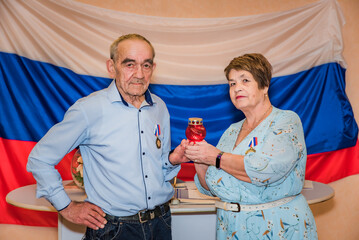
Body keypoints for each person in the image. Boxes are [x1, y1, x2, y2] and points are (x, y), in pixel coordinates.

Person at [27, 33, 190, 240]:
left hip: (161, 224)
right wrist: (66, 207)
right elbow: (39, 159)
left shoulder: (159, 107)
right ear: (111, 67)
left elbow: (159, 169)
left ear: (153, 68)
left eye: (146, 65)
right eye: (130, 64)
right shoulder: (89, 109)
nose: (139, 74)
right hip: (115, 230)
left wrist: (171, 161)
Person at [184, 53, 318, 239]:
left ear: (264, 86)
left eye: (245, 80)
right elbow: (212, 186)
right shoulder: (232, 131)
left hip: (277, 226)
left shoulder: (286, 121)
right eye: (232, 84)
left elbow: (264, 170)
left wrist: (215, 156)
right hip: (231, 227)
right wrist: (199, 159)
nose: (237, 88)